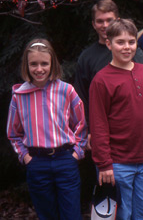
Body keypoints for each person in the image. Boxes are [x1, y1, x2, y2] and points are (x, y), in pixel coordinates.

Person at [7, 38, 88, 219]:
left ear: (53, 64)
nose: (39, 69)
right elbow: (13, 133)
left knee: (71, 215)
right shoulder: (19, 96)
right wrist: (26, 157)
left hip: (65, 160)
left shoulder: (67, 91)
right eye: (33, 64)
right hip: (37, 163)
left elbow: (81, 124)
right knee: (47, 214)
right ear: (26, 66)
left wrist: (76, 153)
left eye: (44, 63)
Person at [89, 19, 143, 219]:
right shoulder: (102, 80)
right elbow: (98, 124)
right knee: (123, 214)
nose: (127, 47)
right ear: (109, 44)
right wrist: (104, 163)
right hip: (117, 162)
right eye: (120, 42)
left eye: (131, 41)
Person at [75, 0, 143, 125]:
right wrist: (88, 129)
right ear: (93, 24)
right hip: (101, 125)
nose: (105, 25)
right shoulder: (86, 58)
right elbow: (82, 98)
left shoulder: (135, 54)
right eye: (100, 21)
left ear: (118, 21)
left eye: (109, 20)